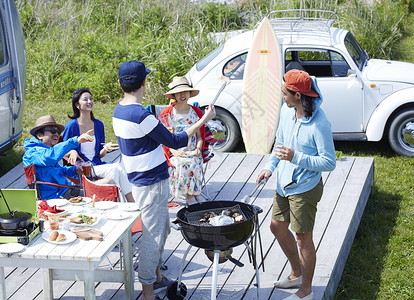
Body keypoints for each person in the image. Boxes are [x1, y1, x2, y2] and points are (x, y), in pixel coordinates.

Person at [112, 60, 216, 300]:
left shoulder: (119, 110)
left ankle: (158, 278)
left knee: (163, 229)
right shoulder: (140, 115)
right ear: (144, 83)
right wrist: (203, 119)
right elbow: (176, 141)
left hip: (141, 181)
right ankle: (148, 291)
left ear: (120, 83)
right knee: (153, 237)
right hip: (151, 184)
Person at [256, 70, 336, 300]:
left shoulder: (320, 124)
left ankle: (306, 290)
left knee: (303, 239)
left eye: (284, 92)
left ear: (298, 95)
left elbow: (329, 162)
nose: (282, 96)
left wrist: (296, 157)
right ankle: (296, 273)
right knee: (277, 227)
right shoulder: (286, 110)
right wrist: (269, 168)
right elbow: (280, 143)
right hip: (283, 183)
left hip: (304, 188)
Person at [62, 88, 134, 202]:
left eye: (91, 99)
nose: (89, 101)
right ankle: (121, 203)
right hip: (82, 168)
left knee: (121, 167)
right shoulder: (71, 126)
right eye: (85, 99)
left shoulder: (98, 125)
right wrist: (72, 151)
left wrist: (105, 148)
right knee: (115, 169)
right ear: (77, 105)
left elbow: (99, 154)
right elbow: (62, 149)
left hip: (96, 165)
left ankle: (127, 202)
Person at [159, 76, 207, 205]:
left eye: (185, 91)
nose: (182, 95)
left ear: (190, 94)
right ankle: (190, 195)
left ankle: (195, 192)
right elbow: (163, 137)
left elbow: (200, 137)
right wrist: (173, 150)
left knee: (195, 160)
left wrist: (198, 148)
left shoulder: (196, 112)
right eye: (179, 92)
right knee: (181, 162)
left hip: (192, 150)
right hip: (175, 151)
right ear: (173, 94)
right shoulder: (167, 113)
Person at [23, 115, 94, 200]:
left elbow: (58, 170)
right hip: (56, 197)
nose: (56, 134)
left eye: (58, 132)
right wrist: (76, 140)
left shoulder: (45, 150)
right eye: (52, 131)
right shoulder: (32, 153)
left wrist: (75, 170)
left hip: (65, 190)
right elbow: (50, 157)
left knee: (105, 185)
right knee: (101, 192)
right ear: (39, 135)